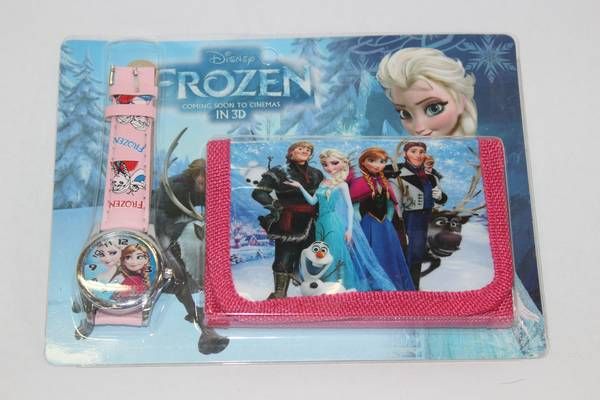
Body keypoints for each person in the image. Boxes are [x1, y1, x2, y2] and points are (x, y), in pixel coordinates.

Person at [285, 149, 397, 292]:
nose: (329, 168)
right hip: (321, 223)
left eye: (334, 163)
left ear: (343, 164)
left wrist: (349, 229)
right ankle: (325, 285)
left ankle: (339, 285)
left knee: (335, 252)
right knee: (322, 253)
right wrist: (300, 187)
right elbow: (313, 202)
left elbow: (350, 207)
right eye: (325, 164)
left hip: (333, 222)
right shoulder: (323, 182)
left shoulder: (342, 184)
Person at [252, 141, 324, 298]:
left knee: (313, 257)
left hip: (313, 221)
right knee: (285, 256)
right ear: (291, 152)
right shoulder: (278, 171)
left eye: (308, 149)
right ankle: (280, 294)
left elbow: (323, 197)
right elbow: (258, 193)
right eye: (300, 148)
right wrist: (275, 206)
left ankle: (311, 295)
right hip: (288, 221)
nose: (305, 151)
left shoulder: (317, 174)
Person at [348, 147, 415, 291]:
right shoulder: (359, 183)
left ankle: (390, 286)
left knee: (389, 255)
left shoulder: (384, 182)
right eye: (372, 161)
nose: (377, 165)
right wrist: (357, 226)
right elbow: (354, 207)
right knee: (369, 254)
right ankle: (371, 287)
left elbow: (390, 205)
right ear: (363, 162)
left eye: (382, 161)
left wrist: (388, 221)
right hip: (367, 224)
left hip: (385, 225)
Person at [377, 47, 477, 137]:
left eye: (434, 108)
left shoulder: (481, 148)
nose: (419, 128)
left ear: (460, 101)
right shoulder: (402, 150)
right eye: (405, 114)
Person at [391, 142, 447, 289]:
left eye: (421, 151)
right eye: (413, 151)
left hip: (428, 219)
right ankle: (405, 288)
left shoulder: (431, 177)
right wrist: (401, 227)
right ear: (405, 154)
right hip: (410, 219)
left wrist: (440, 196)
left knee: (419, 254)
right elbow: (396, 204)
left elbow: (441, 200)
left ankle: (413, 288)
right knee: (411, 254)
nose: (418, 155)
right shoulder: (398, 175)